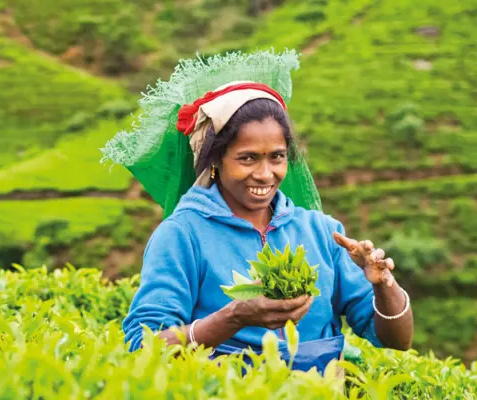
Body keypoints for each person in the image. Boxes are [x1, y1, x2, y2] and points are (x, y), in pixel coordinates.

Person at [99, 49, 413, 372]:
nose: (265, 174)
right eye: (247, 158)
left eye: (276, 157)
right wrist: (233, 318)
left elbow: (397, 340)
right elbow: (142, 346)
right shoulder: (182, 235)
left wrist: (383, 285)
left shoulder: (321, 232)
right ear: (216, 162)